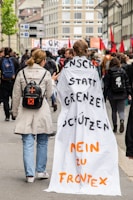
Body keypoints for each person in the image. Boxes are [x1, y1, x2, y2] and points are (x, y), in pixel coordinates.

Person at [45, 39, 121, 195]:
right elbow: (97, 92)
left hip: (72, 113)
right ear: (86, 51)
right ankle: (88, 169)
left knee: (71, 141)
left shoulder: (68, 68)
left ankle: (73, 169)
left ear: (73, 51)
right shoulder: (92, 69)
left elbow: (62, 90)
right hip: (90, 113)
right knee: (88, 139)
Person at [11, 49, 53, 183]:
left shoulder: (21, 72)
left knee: (28, 142)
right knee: (42, 141)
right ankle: (40, 170)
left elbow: (16, 94)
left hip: (25, 110)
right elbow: (49, 95)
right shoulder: (46, 73)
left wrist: (14, 112)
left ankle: (30, 175)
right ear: (43, 60)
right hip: (41, 110)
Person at [103, 57, 131, 133]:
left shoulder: (109, 72)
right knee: (121, 110)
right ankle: (122, 120)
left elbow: (106, 85)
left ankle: (115, 126)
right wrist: (129, 93)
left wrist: (104, 96)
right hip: (122, 93)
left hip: (112, 94)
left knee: (114, 111)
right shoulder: (122, 71)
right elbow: (127, 82)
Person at [0, 47, 20, 121]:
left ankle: (7, 115)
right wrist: (14, 74)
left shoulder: (1, 60)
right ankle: (13, 111)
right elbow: (19, 68)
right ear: (11, 52)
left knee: (5, 99)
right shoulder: (14, 60)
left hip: (4, 81)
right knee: (13, 98)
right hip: (13, 82)